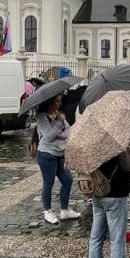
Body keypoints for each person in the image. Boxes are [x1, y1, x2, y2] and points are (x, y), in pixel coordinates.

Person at [88, 146, 130, 258]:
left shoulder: (91, 141)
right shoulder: (116, 142)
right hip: (116, 193)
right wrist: (127, 148)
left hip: (97, 192)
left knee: (95, 238)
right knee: (117, 240)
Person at [36, 95, 80, 224]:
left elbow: (68, 130)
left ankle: (65, 210)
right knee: (48, 184)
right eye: (57, 101)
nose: (60, 103)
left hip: (60, 154)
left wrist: (61, 133)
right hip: (46, 155)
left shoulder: (58, 114)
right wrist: (59, 123)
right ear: (50, 102)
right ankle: (48, 212)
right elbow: (49, 137)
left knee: (67, 180)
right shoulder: (42, 117)